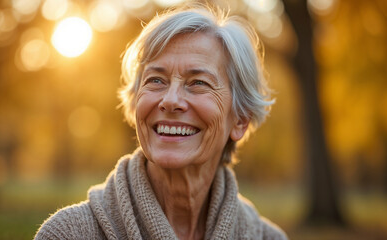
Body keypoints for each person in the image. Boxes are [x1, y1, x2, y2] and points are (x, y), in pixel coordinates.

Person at [35, 5, 287, 240]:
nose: (170, 100)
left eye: (198, 83)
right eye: (156, 80)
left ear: (240, 120)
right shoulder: (67, 234)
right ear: (135, 104)